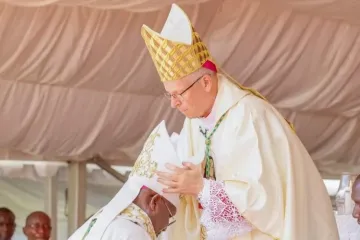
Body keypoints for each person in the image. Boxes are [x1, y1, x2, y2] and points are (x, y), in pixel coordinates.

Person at [141, 4, 339, 240]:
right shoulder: (194, 122)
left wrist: (202, 188)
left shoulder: (250, 116)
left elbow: (265, 203)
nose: (174, 103)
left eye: (178, 94)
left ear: (205, 82)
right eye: (169, 95)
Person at [68, 121, 191, 240]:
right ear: (154, 202)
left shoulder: (103, 222)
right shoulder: (133, 233)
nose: (165, 227)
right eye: (169, 215)